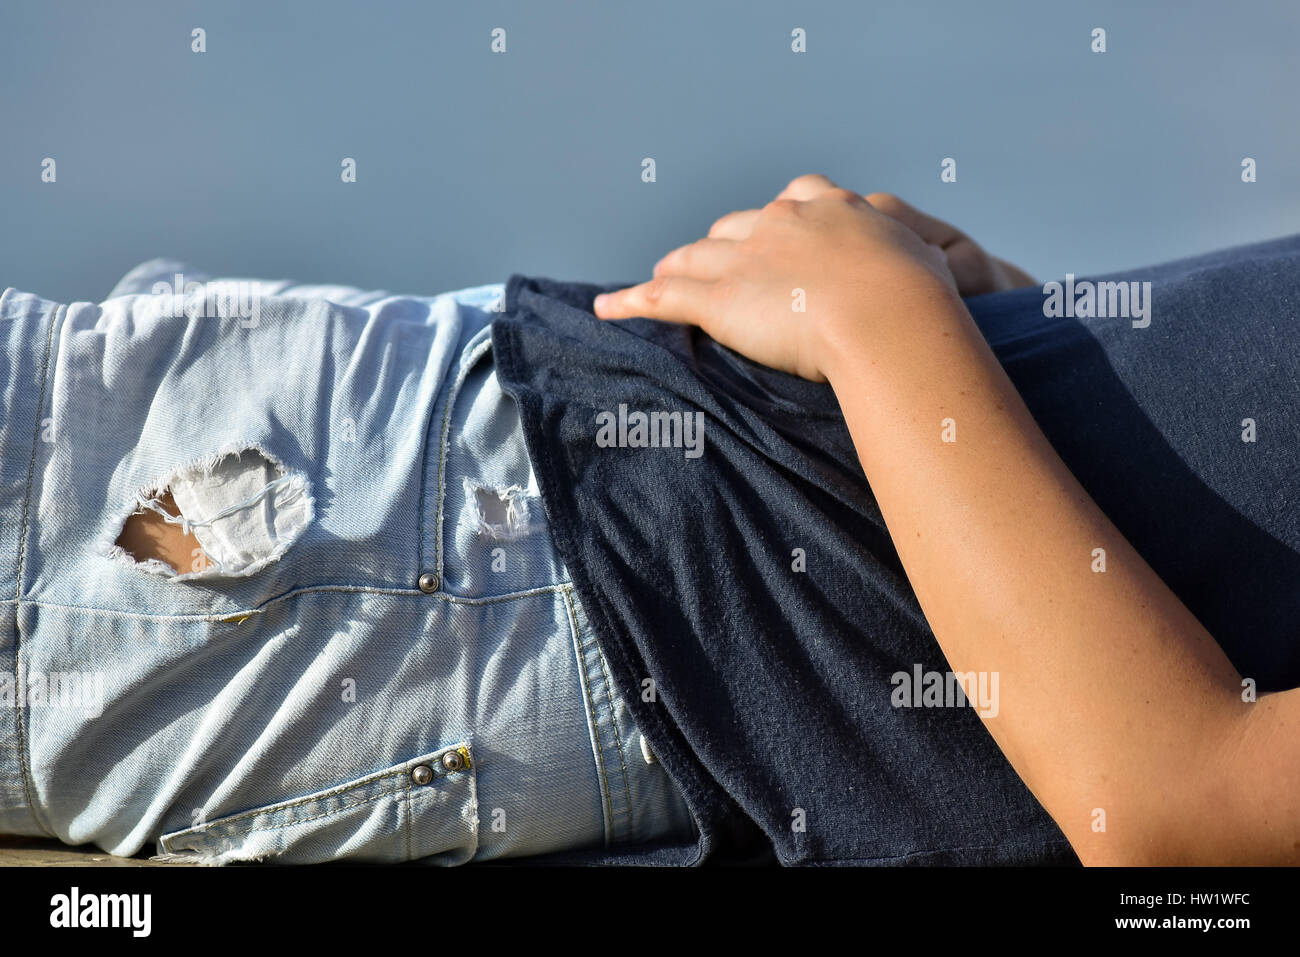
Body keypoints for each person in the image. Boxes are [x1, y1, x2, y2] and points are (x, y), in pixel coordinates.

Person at [2, 175, 1297, 865]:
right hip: (510, 491)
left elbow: (1180, 803)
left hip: (505, 575)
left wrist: (878, 321)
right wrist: (1001, 332)